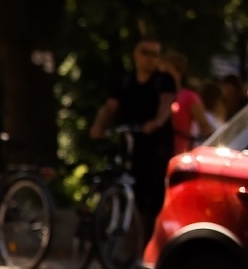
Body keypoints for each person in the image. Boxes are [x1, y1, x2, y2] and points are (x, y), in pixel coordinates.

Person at [90, 35, 174, 235]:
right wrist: (98, 126)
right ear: (135, 54)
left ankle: (145, 242)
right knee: (120, 180)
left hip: (154, 147)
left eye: (155, 54)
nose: (150, 59)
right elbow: (110, 107)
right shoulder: (125, 81)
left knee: (151, 196)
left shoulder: (163, 81)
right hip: (129, 144)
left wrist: (156, 122)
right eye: (145, 53)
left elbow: (166, 104)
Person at [160, 50, 215, 156]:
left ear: (178, 72)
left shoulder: (188, 97)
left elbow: (205, 127)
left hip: (178, 153)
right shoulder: (157, 95)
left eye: (167, 71)